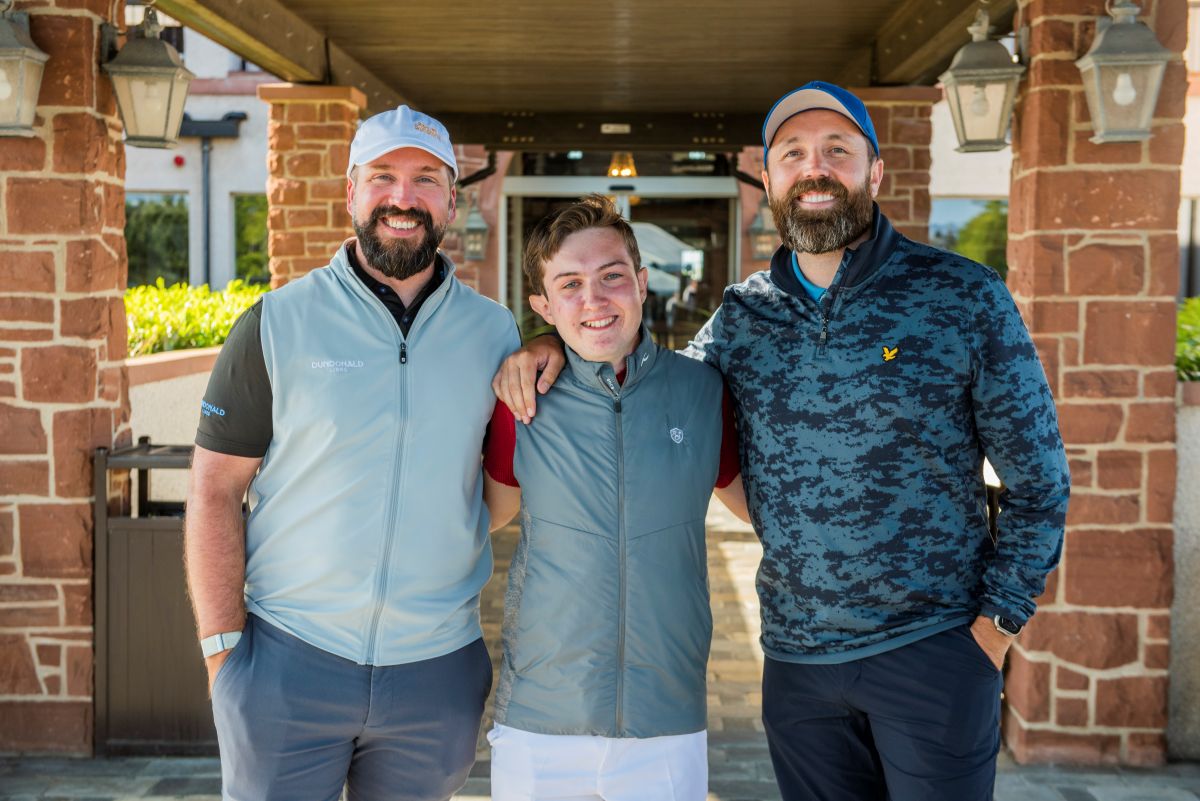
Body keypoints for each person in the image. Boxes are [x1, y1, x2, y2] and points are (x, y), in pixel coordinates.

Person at [492, 82, 1071, 801]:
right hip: (800, 669)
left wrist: (993, 631)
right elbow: (639, 376)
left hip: (935, 652)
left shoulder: (962, 297)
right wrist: (548, 341)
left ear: (874, 172)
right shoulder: (741, 321)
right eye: (793, 153)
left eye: (838, 150)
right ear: (769, 180)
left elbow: (1040, 481)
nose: (815, 167)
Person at [185, 106, 520, 801]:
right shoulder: (276, 323)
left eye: (427, 178)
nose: (404, 198)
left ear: (453, 198)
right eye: (383, 177)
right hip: (287, 663)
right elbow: (214, 490)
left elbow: (493, 494)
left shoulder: (495, 332)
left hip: (435, 672)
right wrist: (222, 649)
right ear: (351, 193)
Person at [481, 194, 747, 801]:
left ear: (643, 283)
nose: (594, 300)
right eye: (569, 284)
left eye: (612, 277)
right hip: (540, 720)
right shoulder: (520, 398)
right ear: (542, 305)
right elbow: (482, 520)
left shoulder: (703, 393)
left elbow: (765, 511)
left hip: (666, 717)